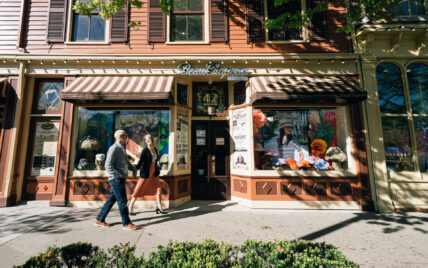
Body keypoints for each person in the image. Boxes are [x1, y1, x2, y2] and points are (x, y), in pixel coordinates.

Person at [95, 130, 139, 230]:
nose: (127, 138)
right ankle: (126, 224)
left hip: (119, 178)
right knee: (122, 201)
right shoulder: (114, 148)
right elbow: (107, 165)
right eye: (125, 136)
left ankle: (100, 219)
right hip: (116, 179)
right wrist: (117, 174)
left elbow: (126, 162)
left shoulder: (121, 148)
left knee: (111, 200)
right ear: (120, 136)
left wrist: (134, 169)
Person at [128, 134, 169, 215]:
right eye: (146, 140)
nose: (147, 141)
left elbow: (156, 161)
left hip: (154, 173)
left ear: (152, 140)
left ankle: (160, 207)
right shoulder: (145, 150)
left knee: (158, 189)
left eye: (148, 139)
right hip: (146, 173)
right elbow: (140, 162)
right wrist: (134, 168)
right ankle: (130, 207)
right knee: (138, 189)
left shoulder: (155, 149)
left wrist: (157, 170)